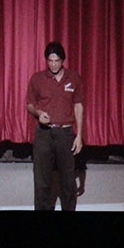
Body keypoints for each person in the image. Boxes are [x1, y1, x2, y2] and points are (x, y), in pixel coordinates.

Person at [26, 41, 84, 211]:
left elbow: (78, 105)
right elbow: (29, 104)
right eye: (50, 61)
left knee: (67, 180)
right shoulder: (37, 79)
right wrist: (38, 113)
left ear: (62, 60)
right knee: (42, 180)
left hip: (66, 134)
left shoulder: (73, 78)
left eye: (57, 60)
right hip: (44, 134)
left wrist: (79, 135)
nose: (53, 64)